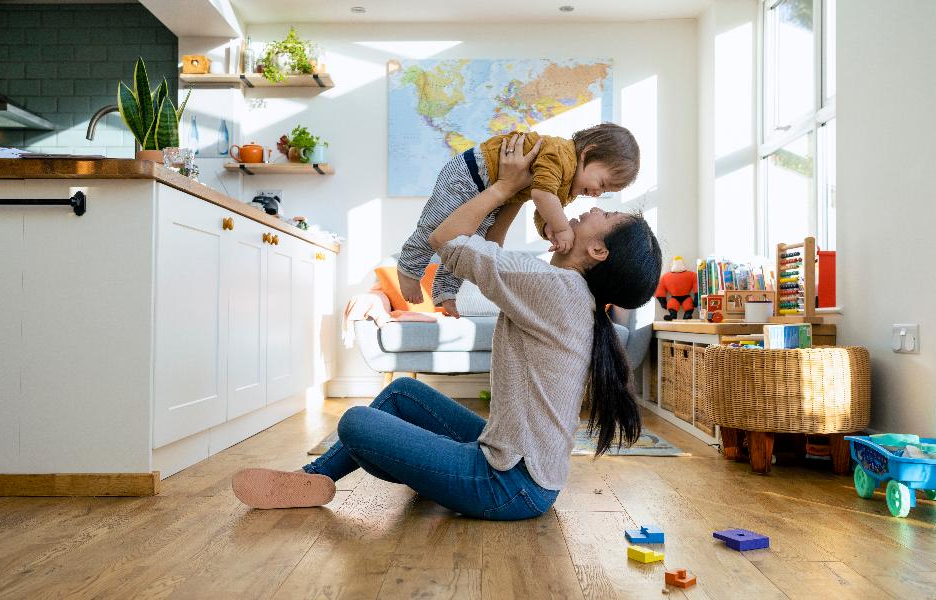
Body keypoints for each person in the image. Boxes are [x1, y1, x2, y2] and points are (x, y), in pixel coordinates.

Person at [232, 134, 662, 519]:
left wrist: (504, 186)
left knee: (355, 423)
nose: (592, 208)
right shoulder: (564, 290)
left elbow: (446, 238)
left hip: (507, 485)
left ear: (598, 250)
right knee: (402, 393)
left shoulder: (554, 287)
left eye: (604, 214)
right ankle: (315, 480)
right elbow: (485, 253)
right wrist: (515, 195)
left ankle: (398, 470)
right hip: (517, 469)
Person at [397, 124, 641, 318]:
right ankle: (409, 267)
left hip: (494, 189)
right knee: (435, 223)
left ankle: (445, 289)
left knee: (470, 242)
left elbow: (542, 207)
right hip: (471, 173)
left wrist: (548, 228)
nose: (598, 195)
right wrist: (561, 227)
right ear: (587, 154)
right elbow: (541, 194)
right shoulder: (561, 155)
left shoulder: (566, 187)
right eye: (602, 183)